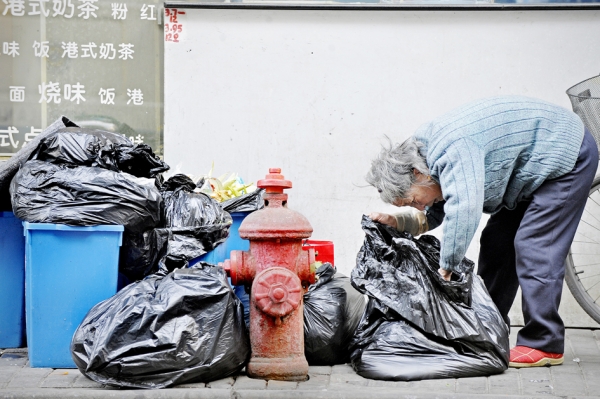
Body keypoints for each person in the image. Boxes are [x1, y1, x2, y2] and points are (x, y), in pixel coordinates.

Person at [366, 95, 598, 368]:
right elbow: (438, 209)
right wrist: (397, 222)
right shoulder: (425, 160)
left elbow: (463, 209)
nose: (418, 206)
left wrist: (447, 268)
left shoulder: (452, 151)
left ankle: (544, 342)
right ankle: (489, 328)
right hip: (529, 172)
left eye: (413, 201)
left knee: (535, 246)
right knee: (497, 242)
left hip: (566, 153)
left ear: (418, 174)